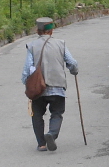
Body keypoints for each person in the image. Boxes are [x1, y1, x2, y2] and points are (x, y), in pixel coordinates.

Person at [22, 17, 79, 151]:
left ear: (38, 31)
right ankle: (52, 134)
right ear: (51, 31)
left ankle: (41, 144)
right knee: (57, 113)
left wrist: (27, 84)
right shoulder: (61, 44)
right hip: (57, 86)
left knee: (36, 114)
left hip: (38, 88)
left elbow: (26, 69)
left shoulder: (31, 46)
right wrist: (74, 71)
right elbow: (72, 63)